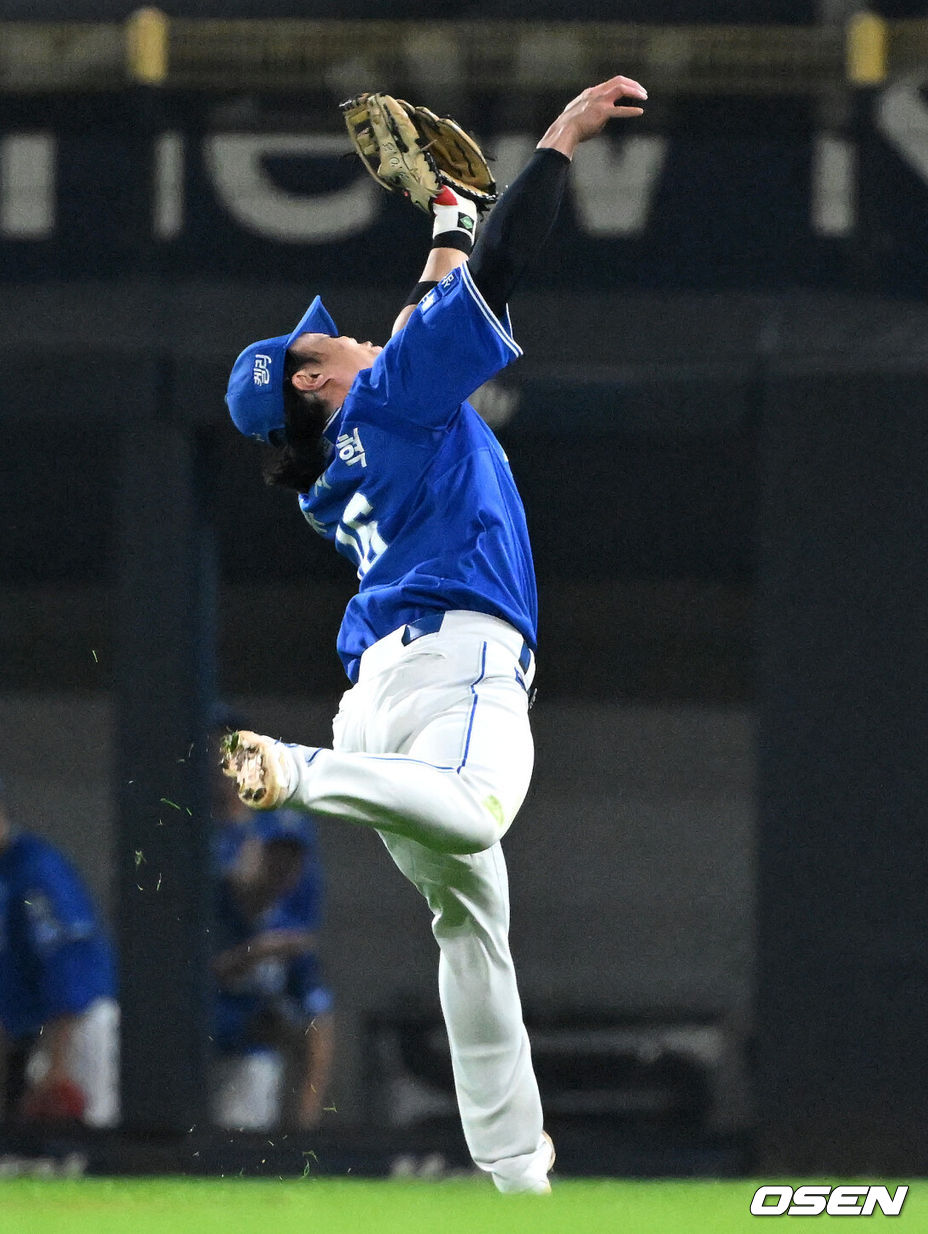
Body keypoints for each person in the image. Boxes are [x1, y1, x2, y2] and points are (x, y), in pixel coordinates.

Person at [221, 79, 647, 1193]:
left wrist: (448, 214)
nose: (343, 329)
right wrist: (555, 145)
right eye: (323, 340)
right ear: (313, 382)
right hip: (452, 673)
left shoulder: (335, 460)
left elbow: (423, 322)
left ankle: (515, 1174)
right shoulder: (386, 406)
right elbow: (489, 285)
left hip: (382, 682)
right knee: (480, 811)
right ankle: (303, 773)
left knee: (469, 920)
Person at [0, 755, 120, 1128]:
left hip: (81, 1024)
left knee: (88, 1146)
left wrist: (57, 1064)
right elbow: (2, 981)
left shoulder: (36, 868)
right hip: (44, 1032)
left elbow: (70, 967)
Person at [209, 718, 334, 1133]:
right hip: (181, 1055)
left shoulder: (288, 931)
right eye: (274, 855)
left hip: (246, 1056)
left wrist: (305, 1124)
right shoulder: (211, 903)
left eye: (292, 859)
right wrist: (254, 955)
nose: (283, 867)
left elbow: (319, 1023)